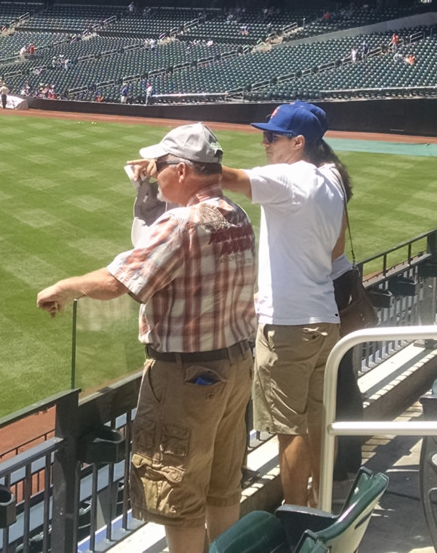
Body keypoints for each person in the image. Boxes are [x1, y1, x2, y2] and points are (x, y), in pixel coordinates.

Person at [37, 125, 255, 553]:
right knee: (222, 486)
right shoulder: (237, 215)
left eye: (160, 166)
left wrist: (66, 286)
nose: (155, 174)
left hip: (187, 377)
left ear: (184, 170)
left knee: (179, 497)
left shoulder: (182, 223)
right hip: (236, 366)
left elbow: (119, 281)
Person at [217, 101, 348, 507]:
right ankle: (322, 508)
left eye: (272, 137)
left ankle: (298, 522)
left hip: (289, 326)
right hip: (325, 322)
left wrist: (174, 164)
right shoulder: (331, 181)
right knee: (320, 425)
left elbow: (229, 178)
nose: (264, 143)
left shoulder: (290, 179)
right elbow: (336, 251)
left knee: (290, 429)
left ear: (297, 143)